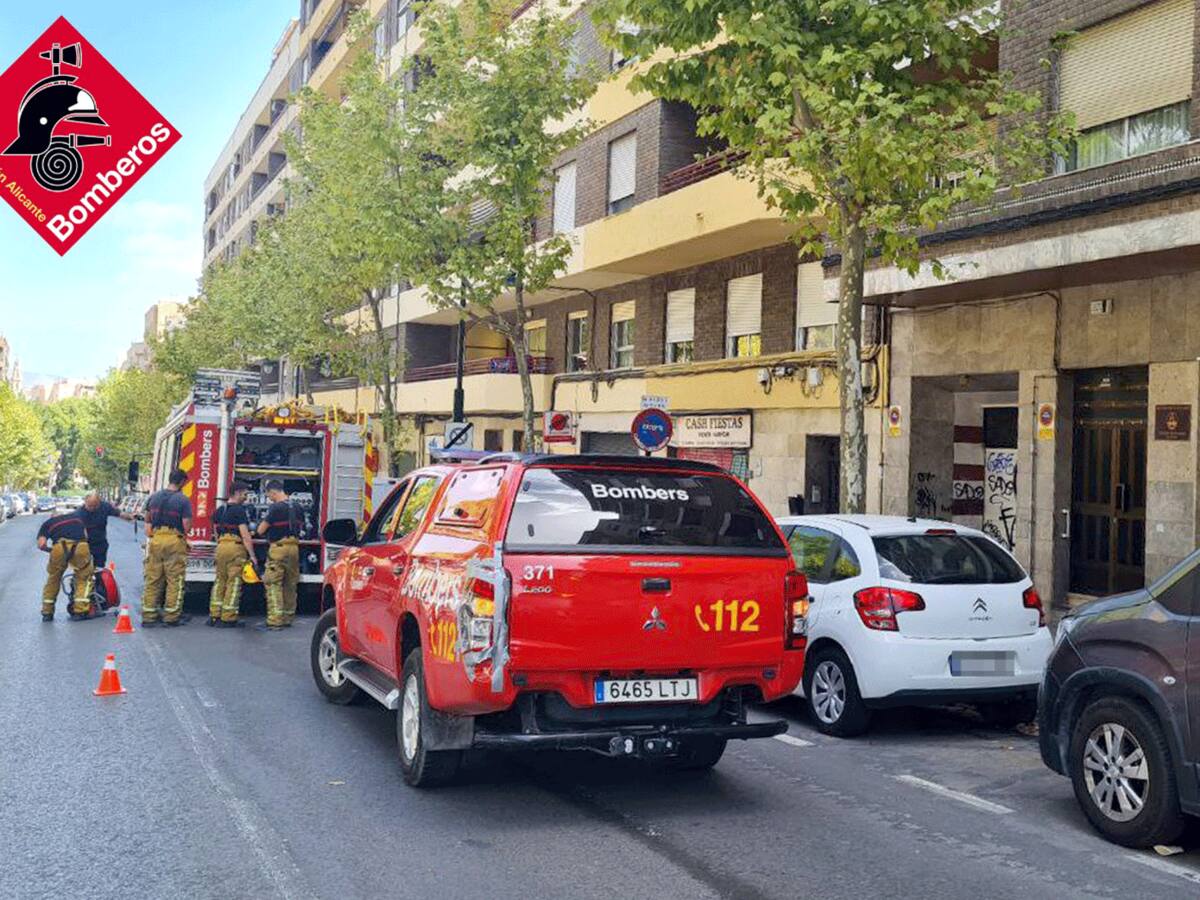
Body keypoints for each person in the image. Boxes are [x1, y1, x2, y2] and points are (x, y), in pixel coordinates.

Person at [141, 468, 193, 627]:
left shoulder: (153, 497)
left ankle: (149, 616)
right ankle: (171, 616)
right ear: (182, 482)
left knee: (153, 578)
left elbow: (147, 522)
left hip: (156, 539)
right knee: (174, 580)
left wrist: (153, 535)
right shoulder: (183, 500)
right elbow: (186, 526)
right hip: (174, 540)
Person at [209, 481, 257, 628]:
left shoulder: (219, 511)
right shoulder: (240, 511)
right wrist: (252, 555)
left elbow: (215, 533)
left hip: (221, 547)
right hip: (235, 548)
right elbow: (245, 536)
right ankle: (228, 617)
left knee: (220, 581)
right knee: (233, 582)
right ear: (237, 493)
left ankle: (215, 615)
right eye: (244, 494)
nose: (246, 497)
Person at [257, 479, 300, 630]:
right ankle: (288, 618)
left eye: (269, 496)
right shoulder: (298, 507)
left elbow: (260, 530)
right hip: (294, 549)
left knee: (273, 584)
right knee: (290, 584)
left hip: (279, 548)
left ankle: (275, 621)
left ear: (273, 492)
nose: (269, 499)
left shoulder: (275, 508)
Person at [36, 509, 94, 621]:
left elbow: (41, 544)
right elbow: (86, 536)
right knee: (83, 578)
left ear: (52, 517)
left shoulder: (48, 523)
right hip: (80, 546)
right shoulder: (77, 518)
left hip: (59, 547)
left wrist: (52, 551)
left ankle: (47, 612)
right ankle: (80, 611)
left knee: (53, 579)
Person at [79, 492, 133, 569]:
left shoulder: (105, 506)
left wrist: (129, 517)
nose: (92, 508)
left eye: (95, 506)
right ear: (85, 502)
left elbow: (119, 513)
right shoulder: (79, 513)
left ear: (99, 502)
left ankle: (98, 574)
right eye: (90, 506)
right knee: (84, 569)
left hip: (100, 543)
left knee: (99, 568)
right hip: (84, 544)